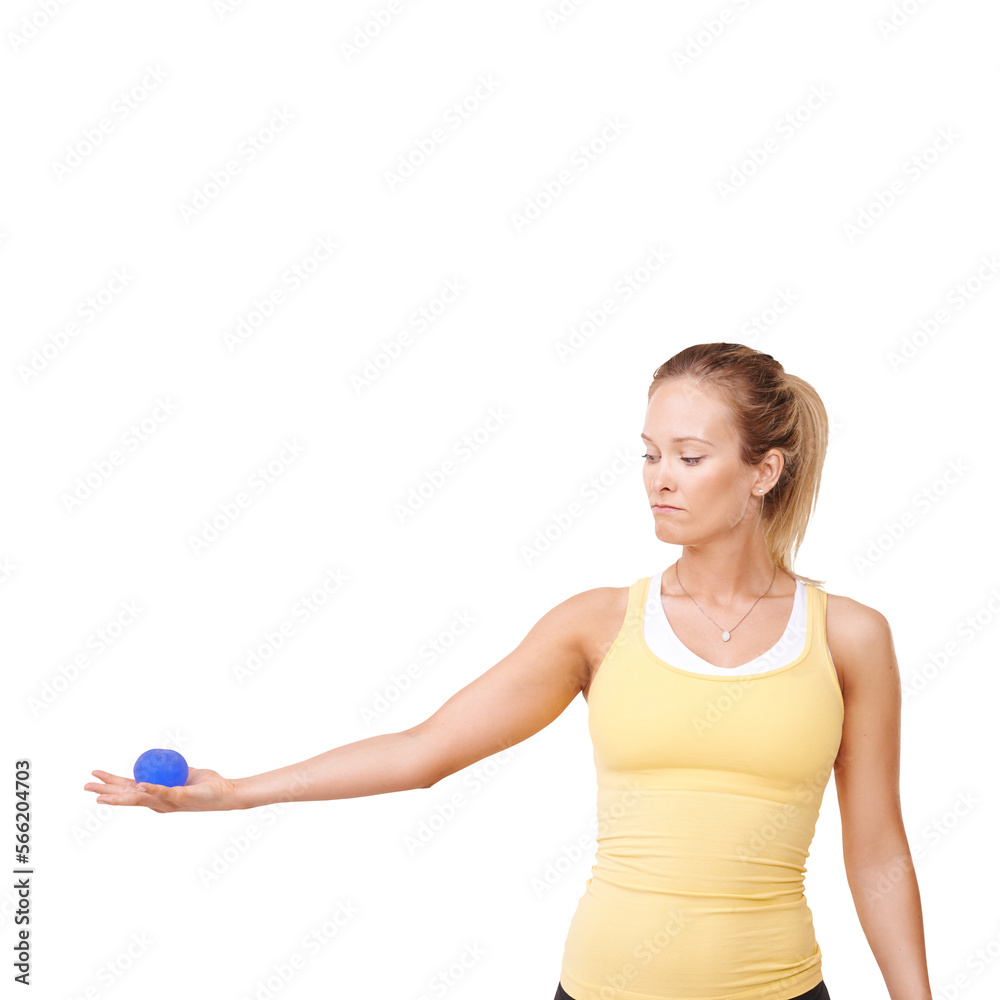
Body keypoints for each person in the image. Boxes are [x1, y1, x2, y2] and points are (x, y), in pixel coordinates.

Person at [85, 343, 933, 1000]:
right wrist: (237, 792)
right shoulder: (597, 625)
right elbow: (424, 751)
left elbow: (876, 850)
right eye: (648, 455)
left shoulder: (847, 636)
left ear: (763, 471)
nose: (659, 481)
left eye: (688, 456)